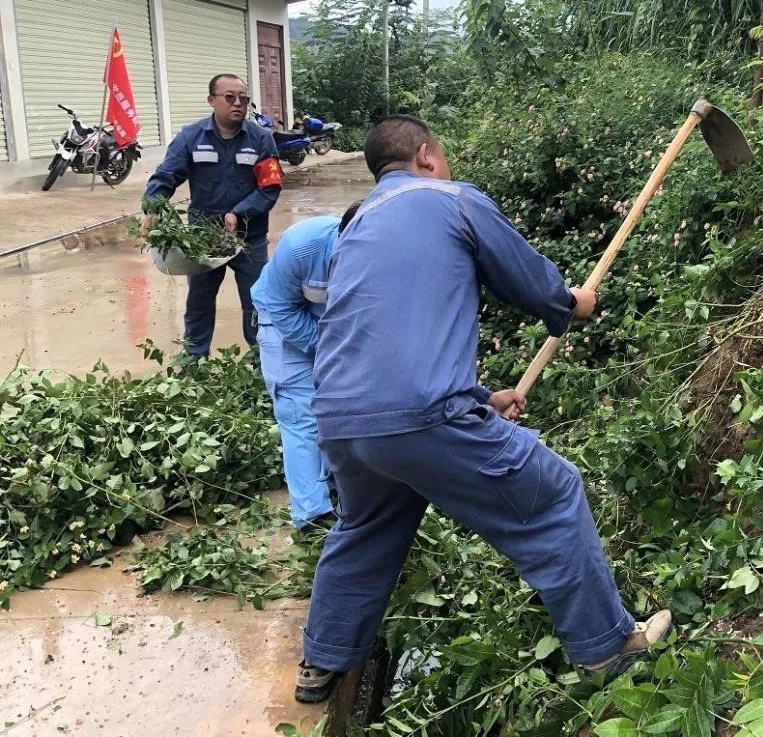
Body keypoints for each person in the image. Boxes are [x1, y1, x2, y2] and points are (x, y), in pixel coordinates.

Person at [294, 115, 671, 703]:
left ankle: (323, 660)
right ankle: (607, 647)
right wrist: (574, 303)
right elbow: (529, 282)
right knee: (553, 495)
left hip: (342, 421)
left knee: (366, 527)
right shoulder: (452, 200)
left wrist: (476, 400)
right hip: (421, 415)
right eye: (443, 158)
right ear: (425, 155)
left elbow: (382, 342)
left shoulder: (357, 226)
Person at [142, 74, 282, 358]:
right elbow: (166, 176)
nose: (238, 103)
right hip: (202, 243)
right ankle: (195, 368)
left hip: (248, 240)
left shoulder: (261, 140)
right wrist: (153, 205)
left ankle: (262, 365)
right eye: (230, 97)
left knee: (257, 304)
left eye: (243, 98)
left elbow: (270, 188)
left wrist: (239, 214)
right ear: (211, 100)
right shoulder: (191, 137)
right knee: (199, 305)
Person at [251, 201, 363, 531]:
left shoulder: (386, 257)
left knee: (339, 410)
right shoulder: (303, 245)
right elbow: (280, 306)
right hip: (282, 321)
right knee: (301, 415)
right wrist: (325, 348)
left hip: (333, 327)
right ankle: (312, 516)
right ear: (343, 237)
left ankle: (332, 486)